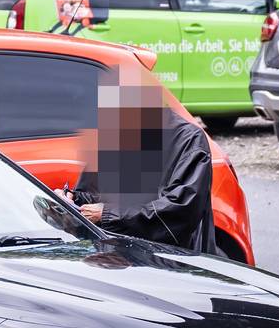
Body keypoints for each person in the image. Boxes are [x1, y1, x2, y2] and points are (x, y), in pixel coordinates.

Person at [75, 75, 218, 255]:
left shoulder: (188, 141)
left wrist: (107, 214)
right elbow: (94, 192)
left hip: (172, 259)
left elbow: (180, 209)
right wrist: (71, 201)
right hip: (120, 256)